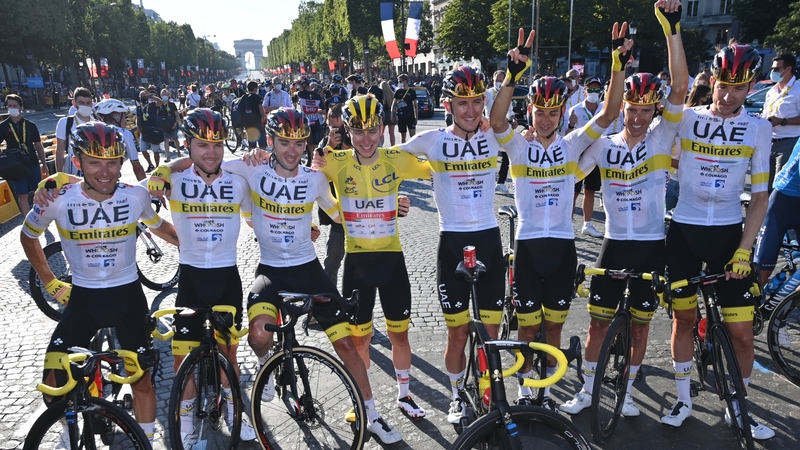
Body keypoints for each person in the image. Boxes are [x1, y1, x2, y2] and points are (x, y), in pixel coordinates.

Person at [205, 107, 402, 444]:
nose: (292, 150)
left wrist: (389, 203)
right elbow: (201, 161)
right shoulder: (250, 169)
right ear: (270, 140)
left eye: (298, 143)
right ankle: (267, 365)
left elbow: (339, 214)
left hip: (307, 269)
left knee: (346, 343)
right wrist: (163, 173)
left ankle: (372, 414)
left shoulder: (314, 178)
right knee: (258, 334)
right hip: (271, 270)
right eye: (284, 142)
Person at [559, 2, 689, 418]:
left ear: (654, 110)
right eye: (630, 110)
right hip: (614, 243)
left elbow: (682, 88)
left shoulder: (661, 134)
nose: (635, 117)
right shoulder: (605, 144)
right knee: (597, 323)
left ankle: (628, 392)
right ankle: (588, 389)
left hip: (651, 245)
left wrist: (672, 31)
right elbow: (566, 170)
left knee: (639, 325)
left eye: (644, 110)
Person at [491, 24, 629, 410]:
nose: (547, 119)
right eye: (541, 112)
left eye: (554, 112)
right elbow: (497, 121)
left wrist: (618, 64)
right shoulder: (519, 146)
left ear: (562, 112)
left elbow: (611, 113)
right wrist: (512, 75)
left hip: (563, 248)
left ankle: (547, 390)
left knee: (554, 326)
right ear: (531, 110)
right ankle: (522, 386)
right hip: (529, 246)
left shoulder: (571, 146)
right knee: (526, 325)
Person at [22, 122, 179, 446]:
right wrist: (50, 282)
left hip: (127, 298)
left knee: (142, 381)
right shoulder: (57, 197)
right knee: (54, 382)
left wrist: (194, 251)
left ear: (121, 161)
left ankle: (145, 441)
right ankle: (69, 431)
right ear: (78, 162)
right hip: (83, 300)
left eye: (112, 162)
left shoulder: (134, 196)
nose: (105, 171)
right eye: (94, 162)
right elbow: (28, 236)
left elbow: (159, 225)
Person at [661, 41, 774, 440]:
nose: (728, 96)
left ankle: (739, 405)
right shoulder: (688, 119)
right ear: (714, 80)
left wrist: (745, 249)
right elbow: (677, 84)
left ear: (753, 88)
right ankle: (682, 398)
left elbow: (760, 197)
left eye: (739, 88)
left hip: (730, 237)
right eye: (724, 85)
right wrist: (673, 32)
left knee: (742, 333)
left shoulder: (759, 128)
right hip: (685, 232)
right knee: (684, 319)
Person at [392, 65, 506, 424]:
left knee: (490, 333)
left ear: (484, 101)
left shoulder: (495, 137)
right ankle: (457, 395)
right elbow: (381, 161)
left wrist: (514, 77)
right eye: (462, 103)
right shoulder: (433, 142)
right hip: (452, 240)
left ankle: (488, 394)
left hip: (488, 237)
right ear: (448, 104)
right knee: (457, 333)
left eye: (476, 102)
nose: (471, 111)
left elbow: (518, 128)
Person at [314, 95, 429, 429]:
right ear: (346, 130)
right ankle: (362, 399)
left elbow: (441, 163)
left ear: (382, 128)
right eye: (357, 131)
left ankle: (404, 394)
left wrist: (482, 132)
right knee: (360, 339)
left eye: (372, 130)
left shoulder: (396, 158)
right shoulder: (336, 161)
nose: (366, 139)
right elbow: (300, 174)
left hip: (392, 260)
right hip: (356, 263)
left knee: (399, 336)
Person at [147, 108, 257, 445]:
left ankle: (235, 408)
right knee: (183, 358)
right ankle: (187, 425)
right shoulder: (174, 181)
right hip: (191, 279)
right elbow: (124, 194)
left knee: (229, 353)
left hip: (226, 277)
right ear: (188, 145)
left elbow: (256, 219)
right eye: (201, 145)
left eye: (217, 145)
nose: (211, 152)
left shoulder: (238, 182)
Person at [568, 76, 606, 238]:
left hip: (597, 153)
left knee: (590, 190)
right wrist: (570, 125)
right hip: (578, 154)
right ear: (584, 91)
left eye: (597, 89)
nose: (594, 92)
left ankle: (587, 224)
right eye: (591, 89)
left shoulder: (605, 110)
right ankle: (567, 223)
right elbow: (566, 136)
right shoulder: (575, 110)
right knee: (573, 190)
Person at [0, 94, 49, 215]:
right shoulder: (3, 126)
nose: (12, 108)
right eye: (10, 106)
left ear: (21, 107)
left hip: (31, 162)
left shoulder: (30, 125)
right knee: (22, 194)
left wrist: (44, 164)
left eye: (15, 106)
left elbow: (38, 145)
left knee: (38, 191)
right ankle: (27, 221)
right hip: (15, 165)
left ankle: (42, 217)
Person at [764, 54, 800, 191]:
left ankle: (777, 211)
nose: (773, 72)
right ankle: (765, 212)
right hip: (769, 142)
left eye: (777, 69)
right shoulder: (771, 91)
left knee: (779, 186)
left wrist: (783, 121)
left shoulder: (798, 89)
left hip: (788, 143)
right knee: (765, 185)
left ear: (788, 69)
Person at [93, 98, 146, 181]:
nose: (125, 121)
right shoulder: (124, 133)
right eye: (124, 117)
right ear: (116, 117)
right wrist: (146, 190)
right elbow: (136, 165)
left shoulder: (91, 131)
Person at [484, 70, 516, 194]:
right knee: (489, 156)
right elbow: (481, 108)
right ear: (492, 79)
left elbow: (510, 110)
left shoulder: (506, 93)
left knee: (506, 156)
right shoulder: (488, 92)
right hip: (489, 129)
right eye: (497, 79)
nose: (498, 82)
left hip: (503, 127)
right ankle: (488, 182)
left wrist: (513, 118)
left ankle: (501, 183)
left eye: (501, 80)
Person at [55, 87, 95, 175]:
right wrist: (59, 175)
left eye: (88, 103)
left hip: (94, 166)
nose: (85, 105)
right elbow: (60, 151)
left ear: (92, 104)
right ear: (74, 104)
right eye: (81, 103)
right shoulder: (65, 123)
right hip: (73, 168)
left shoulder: (97, 123)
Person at [136, 89, 165, 172]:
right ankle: (150, 164)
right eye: (142, 96)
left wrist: (151, 96)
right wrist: (139, 128)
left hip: (153, 130)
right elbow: (138, 119)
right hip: (144, 131)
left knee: (155, 150)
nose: (144, 97)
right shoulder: (139, 108)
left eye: (145, 95)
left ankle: (157, 166)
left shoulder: (152, 105)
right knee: (143, 149)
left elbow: (160, 102)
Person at [240, 80, 267, 149]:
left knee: (251, 143)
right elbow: (261, 109)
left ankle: (251, 157)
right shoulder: (256, 97)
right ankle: (262, 157)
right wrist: (263, 117)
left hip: (247, 122)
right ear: (255, 88)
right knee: (262, 142)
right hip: (257, 121)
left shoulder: (243, 97)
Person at [392, 74, 418, 143]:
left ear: (405, 81)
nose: (398, 83)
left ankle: (413, 152)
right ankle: (403, 151)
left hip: (411, 116)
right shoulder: (398, 92)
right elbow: (394, 104)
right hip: (401, 117)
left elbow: (415, 105)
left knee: (413, 137)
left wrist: (416, 117)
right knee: (403, 137)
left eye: (400, 81)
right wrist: (392, 115)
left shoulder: (412, 91)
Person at [159, 88, 183, 160]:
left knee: (175, 139)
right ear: (160, 95)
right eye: (163, 94)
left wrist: (176, 123)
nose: (164, 95)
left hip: (173, 125)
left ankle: (178, 151)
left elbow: (177, 115)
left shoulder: (172, 105)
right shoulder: (159, 105)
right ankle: (168, 156)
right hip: (164, 126)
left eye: (166, 94)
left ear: (169, 95)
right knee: (166, 140)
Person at [381, 80, 397, 146]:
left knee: (381, 133)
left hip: (383, 114)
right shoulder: (392, 94)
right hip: (391, 113)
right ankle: (393, 146)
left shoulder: (381, 95)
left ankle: (381, 147)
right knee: (392, 133)